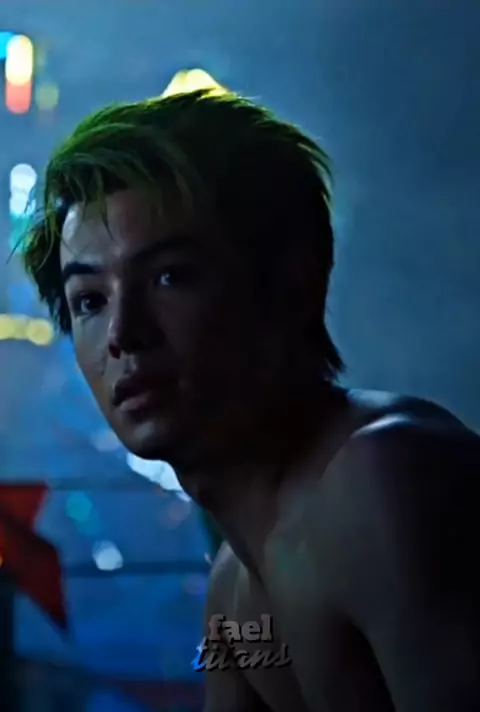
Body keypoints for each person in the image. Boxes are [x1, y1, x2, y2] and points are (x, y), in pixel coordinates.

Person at [21, 88, 480, 711]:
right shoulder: (234, 594)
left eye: (170, 276)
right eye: (90, 301)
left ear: (292, 283)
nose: (124, 333)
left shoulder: (383, 480)